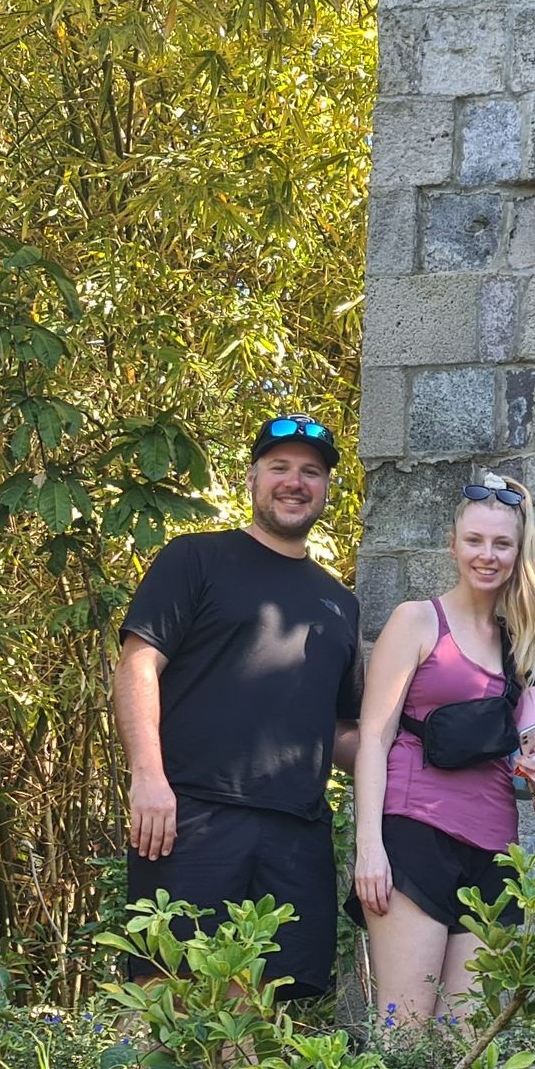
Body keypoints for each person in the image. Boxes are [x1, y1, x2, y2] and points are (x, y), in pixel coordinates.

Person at [115, 412, 362, 997]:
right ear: (252, 479)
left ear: (326, 489)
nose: (295, 481)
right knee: (165, 999)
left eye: (310, 471)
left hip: (297, 834)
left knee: (266, 1015)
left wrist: (429, 758)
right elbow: (137, 665)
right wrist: (148, 777)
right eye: (279, 467)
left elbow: (343, 731)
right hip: (190, 817)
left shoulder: (339, 602)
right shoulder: (195, 559)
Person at [350, 475, 535, 1024]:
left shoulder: (524, 646)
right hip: (414, 831)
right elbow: (374, 736)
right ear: (453, 543)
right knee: (404, 1029)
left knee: (466, 1046)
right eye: (475, 540)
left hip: (495, 849)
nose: (486, 555)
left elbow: (524, 771)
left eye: (501, 544)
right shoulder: (418, 620)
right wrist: (368, 846)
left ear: (519, 552)